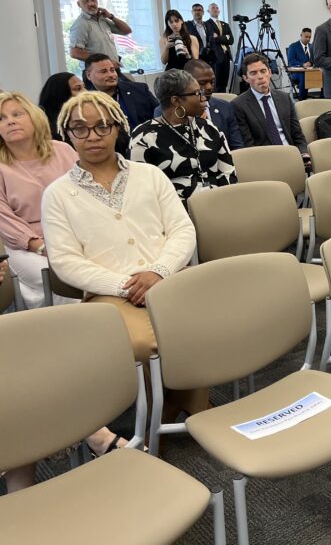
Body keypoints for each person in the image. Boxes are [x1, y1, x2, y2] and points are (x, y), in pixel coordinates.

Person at [41, 91, 207, 429]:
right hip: (109, 292)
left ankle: (176, 404)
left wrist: (158, 272)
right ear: (67, 134)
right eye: (80, 129)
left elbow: (182, 230)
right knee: (143, 342)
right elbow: (65, 261)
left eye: (103, 127)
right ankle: (160, 412)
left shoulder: (150, 176)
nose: (92, 137)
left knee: (201, 324)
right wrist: (125, 285)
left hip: (168, 278)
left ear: (119, 128)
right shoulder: (57, 194)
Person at [0, 92, 77, 308]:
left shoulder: (62, 150)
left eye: (17, 114)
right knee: (64, 279)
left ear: (34, 116)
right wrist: (42, 247)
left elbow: (86, 194)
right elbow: (4, 220)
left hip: (74, 234)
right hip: (25, 247)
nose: (10, 121)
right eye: (1, 118)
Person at [131, 70, 236, 203]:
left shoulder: (208, 128)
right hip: (174, 211)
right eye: (197, 93)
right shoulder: (144, 136)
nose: (204, 98)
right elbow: (144, 189)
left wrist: (220, 203)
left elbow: (229, 172)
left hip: (217, 203)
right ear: (176, 100)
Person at [233, 53, 309, 158]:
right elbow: (248, 145)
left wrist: (303, 153)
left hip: (291, 154)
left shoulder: (284, 98)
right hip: (264, 158)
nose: (260, 77)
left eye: (263, 71)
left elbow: (297, 135)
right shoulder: (238, 105)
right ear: (246, 78)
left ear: (270, 72)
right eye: (253, 73)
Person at [85, 53, 158, 153]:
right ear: (89, 75)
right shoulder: (87, 103)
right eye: (103, 71)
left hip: (151, 146)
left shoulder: (139, 90)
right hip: (114, 153)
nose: (111, 75)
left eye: (112, 70)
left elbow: (160, 115)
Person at [168, 59, 244, 151]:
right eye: (202, 83)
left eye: (212, 82)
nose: (209, 87)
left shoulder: (225, 107)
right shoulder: (171, 110)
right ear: (187, 83)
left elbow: (238, 146)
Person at [68, 0, 132, 65]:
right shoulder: (80, 24)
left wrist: (111, 16)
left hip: (112, 68)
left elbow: (127, 31)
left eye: (93, 0)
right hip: (97, 72)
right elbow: (75, 53)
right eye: (86, 1)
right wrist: (106, 63)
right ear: (79, 4)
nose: (91, 3)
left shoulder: (102, 20)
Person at [38, 72, 85, 140]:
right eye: (78, 89)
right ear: (61, 95)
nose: (86, 92)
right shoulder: (46, 132)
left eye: (84, 87)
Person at [206, 3, 234, 90]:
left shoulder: (225, 24)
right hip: (216, 56)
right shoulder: (207, 24)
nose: (215, 9)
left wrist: (218, 38)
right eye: (213, 8)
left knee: (224, 82)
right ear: (208, 11)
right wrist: (225, 37)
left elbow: (231, 40)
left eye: (217, 8)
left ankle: (224, 100)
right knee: (216, 82)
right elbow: (211, 39)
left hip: (226, 55)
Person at [286, 27, 313, 101]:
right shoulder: (293, 46)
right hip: (297, 73)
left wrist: (311, 63)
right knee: (304, 76)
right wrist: (302, 64)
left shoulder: (312, 46)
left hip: (310, 71)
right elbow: (291, 61)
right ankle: (302, 100)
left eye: (309, 37)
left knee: (323, 74)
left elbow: (314, 59)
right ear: (301, 35)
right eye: (306, 37)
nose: (308, 39)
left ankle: (322, 98)